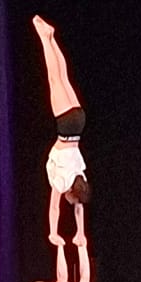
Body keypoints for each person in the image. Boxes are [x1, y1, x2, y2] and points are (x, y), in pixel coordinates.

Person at [32, 15, 91, 246]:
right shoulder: (63, 182)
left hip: (78, 121)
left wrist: (80, 233)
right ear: (72, 194)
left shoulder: (80, 177)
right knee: (54, 79)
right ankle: (44, 38)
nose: (72, 204)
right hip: (66, 126)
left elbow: (79, 208)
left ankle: (52, 37)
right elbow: (54, 207)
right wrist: (53, 233)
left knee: (63, 77)